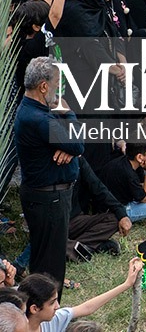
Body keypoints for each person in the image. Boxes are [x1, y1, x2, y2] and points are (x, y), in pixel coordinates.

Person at [15, 57, 82, 295]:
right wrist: (69, 113)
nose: (58, 90)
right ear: (43, 86)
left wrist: (69, 149)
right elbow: (78, 143)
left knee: (45, 262)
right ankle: (46, 312)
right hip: (49, 199)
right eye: (56, 84)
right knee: (49, 269)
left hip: (47, 197)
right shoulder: (39, 118)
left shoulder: (35, 110)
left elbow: (73, 146)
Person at [18, 259, 142, 332]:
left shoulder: (51, 321)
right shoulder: (13, 327)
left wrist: (127, 284)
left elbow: (87, 308)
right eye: (52, 303)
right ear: (34, 309)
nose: (58, 306)